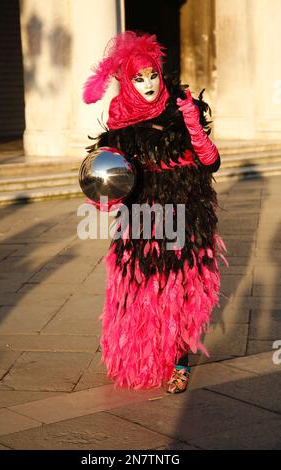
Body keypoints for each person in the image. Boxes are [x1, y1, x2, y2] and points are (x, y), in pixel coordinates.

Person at [82, 31, 229, 393]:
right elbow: (114, 180)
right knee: (142, 290)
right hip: (143, 219)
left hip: (187, 216)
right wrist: (105, 195)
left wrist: (194, 125)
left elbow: (211, 162)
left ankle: (178, 362)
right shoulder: (120, 124)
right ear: (126, 82)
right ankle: (141, 357)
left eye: (152, 75)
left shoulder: (181, 109)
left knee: (181, 292)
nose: (148, 84)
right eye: (138, 78)